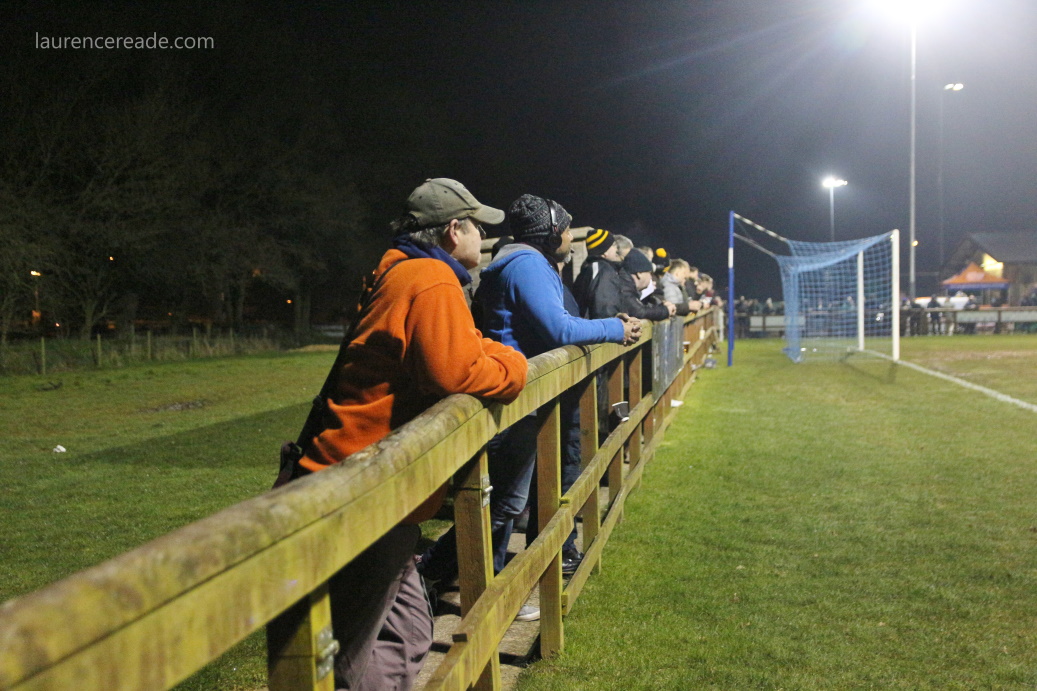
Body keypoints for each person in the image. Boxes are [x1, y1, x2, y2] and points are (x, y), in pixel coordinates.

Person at [294, 178, 528, 690]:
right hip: (367, 485)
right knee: (348, 652)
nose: (483, 237)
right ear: (453, 229)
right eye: (477, 226)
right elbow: (458, 372)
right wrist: (516, 366)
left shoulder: (405, 269)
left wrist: (496, 353)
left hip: (369, 479)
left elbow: (468, 345)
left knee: (409, 631)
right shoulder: (431, 277)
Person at [419, 195, 640, 616]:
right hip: (512, 398)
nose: (569, 239)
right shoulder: (528, 264)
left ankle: (483, 585)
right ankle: (428, 574)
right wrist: (615, 327)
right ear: (550, 233)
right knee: (501, 502)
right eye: (565, 230)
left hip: (514, 393)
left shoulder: (521, 261)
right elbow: (559, 329)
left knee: (499, 501)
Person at [619, 249, 675, 320]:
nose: (651, 277)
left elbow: (641, 308)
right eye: (649, 273)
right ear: (639, 274)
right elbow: (638, 312)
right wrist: (665, 311)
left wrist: (661, 307)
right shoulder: (625, 287)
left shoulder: (628, 285)